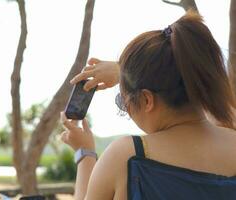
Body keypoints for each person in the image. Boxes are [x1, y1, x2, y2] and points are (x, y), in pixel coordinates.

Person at [60, 10, 236, 200]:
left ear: (146, 100)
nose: (126, 108)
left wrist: (84, 153)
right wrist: (128, 74)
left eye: (122, 102)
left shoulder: (127, 157)